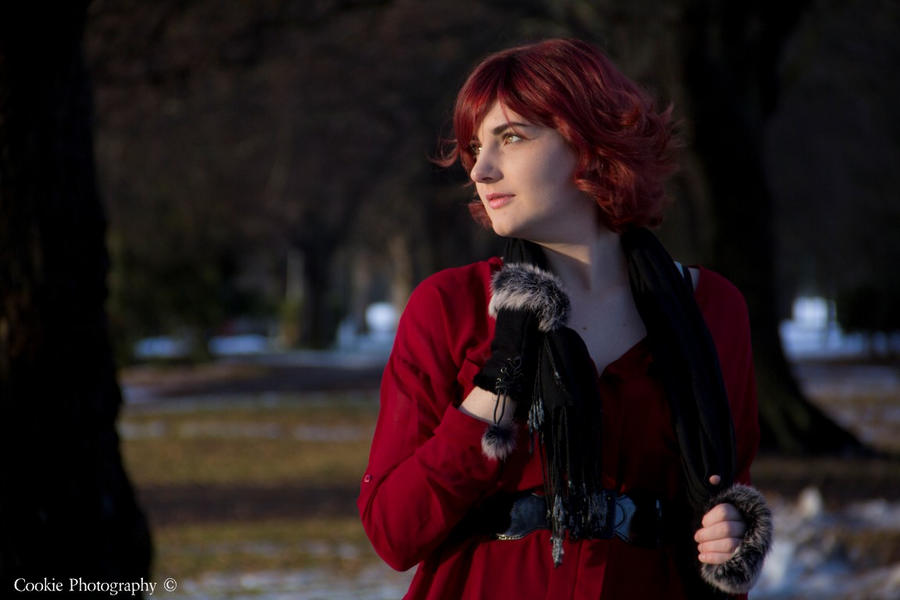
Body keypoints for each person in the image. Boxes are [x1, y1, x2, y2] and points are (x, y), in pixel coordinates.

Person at [358, 38, 771, 599]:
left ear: (589, 141)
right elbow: (393, 532)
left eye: (511, 137)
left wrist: (732, 537)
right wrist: (496, 389)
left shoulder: (710, 308)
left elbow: (725, 499)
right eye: (475, 146)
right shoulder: (450, 307)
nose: (480, 168)